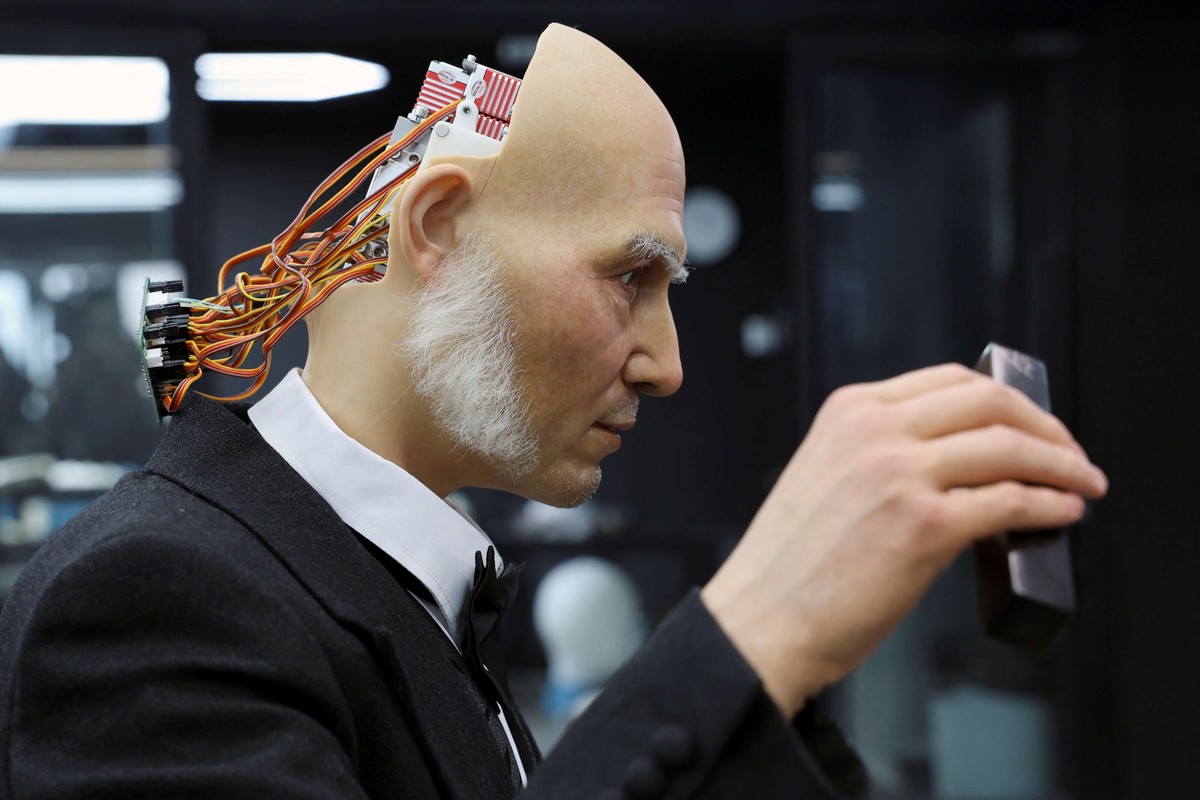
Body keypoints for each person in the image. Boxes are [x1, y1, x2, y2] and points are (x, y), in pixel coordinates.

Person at [0, 23, 1107, 800]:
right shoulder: (153, 598)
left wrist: (780, 677)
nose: (668, 365)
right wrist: (751, 631)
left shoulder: (401, 593)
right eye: (630, 275)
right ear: (436, 227)